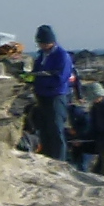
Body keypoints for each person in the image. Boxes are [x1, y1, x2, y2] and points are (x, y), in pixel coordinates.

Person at [28, 25, 76, 162]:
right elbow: (36, 73)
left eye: (43, 42)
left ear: (51, 41)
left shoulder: (62, 56)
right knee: (44, 128)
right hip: (42, 95)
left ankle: (59, 160)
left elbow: (60, 78)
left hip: (56, 95)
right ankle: (47, 157)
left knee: (56, 129)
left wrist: (40, 80)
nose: (41, 45)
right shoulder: (41, 55)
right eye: (39, 43)